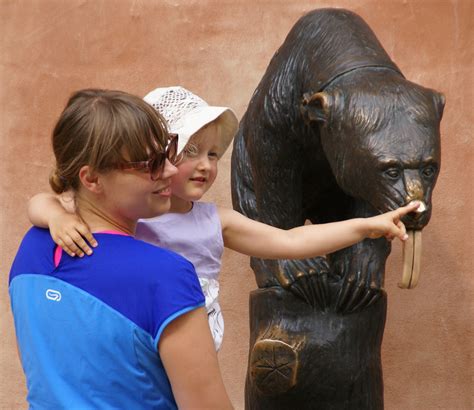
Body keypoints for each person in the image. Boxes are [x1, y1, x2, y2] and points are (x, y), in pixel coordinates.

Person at [27, 86, 420, 352]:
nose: (205, 165)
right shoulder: (130, 211)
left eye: (213, 154)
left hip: (192, 334)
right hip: (140, 331)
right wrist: (55, 217)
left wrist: (370, 225)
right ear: (157, 159)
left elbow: (290, 242)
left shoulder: (216, 221)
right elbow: (45, 199)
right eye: (191, 151)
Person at [11, 89, 233, 409]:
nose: (170, 171)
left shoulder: (32, 249)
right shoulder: (165, 275)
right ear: (92, 179)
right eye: (151, 164)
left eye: (168, 156)